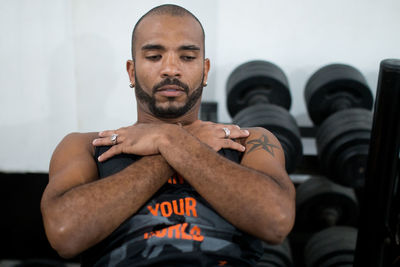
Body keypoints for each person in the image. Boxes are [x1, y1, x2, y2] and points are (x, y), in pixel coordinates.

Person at [41, 4, 295, 266]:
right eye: (154, 56)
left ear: (205, 70)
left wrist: (173, 140)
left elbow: (276, 221)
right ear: (131, 71)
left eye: (187, 57)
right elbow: (64, 234)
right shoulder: (86, 145)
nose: (171, 69)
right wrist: (171, 143)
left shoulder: (247, 139)